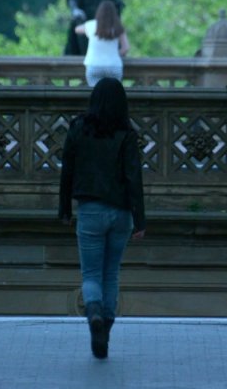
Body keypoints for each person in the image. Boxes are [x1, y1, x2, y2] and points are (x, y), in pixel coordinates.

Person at [58, 77, 146, 359]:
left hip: (90, 210)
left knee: (91, 274)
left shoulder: (78, 129)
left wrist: (64, 208)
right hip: (121, 213)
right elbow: (134, 179)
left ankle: (93, 312)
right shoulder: (127, 134)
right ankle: (104, 332)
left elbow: (67, 171)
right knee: (111, 273)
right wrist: (140, 220)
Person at [75, 0, 130, 87]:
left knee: (96, 95)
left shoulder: (91, 25)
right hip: (114, 66)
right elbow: (126, 48)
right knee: (114, 95)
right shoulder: (118, 27)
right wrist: (115, 54)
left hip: (94, 65)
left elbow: (77, 29)